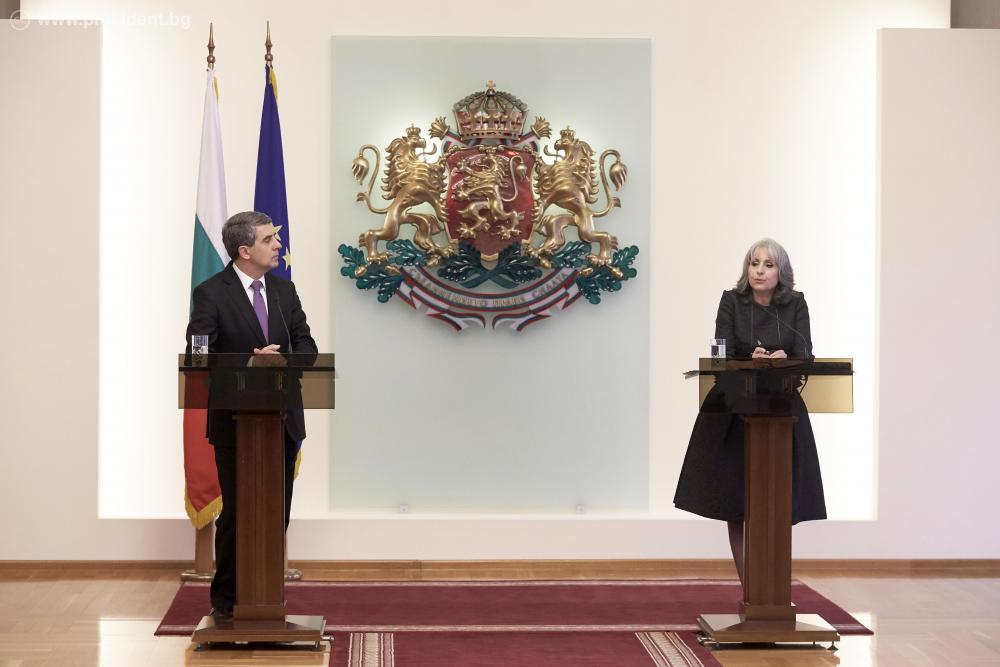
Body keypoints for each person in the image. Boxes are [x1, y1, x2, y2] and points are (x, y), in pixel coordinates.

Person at [185, 210, 317, 618]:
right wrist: (249, 361)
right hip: (235, 423)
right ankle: (227, 603)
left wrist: (283, 360)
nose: (278, 245)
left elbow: (307, 346)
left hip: (282, 420)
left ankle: (267, 600)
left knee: (276, 514)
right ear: (244, 250)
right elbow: (198, 356)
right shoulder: (211, 293)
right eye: (268, 239)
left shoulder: (284, 291)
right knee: (238, 513)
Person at [673, 238, 826, 584]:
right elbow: (719, 356)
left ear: (781, 271)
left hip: (780, 410)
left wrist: (786, 359)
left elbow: (807, 354)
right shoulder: (732, 301)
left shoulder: (796, 304)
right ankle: (751, 588)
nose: (759, 271)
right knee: (736, 499)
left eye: (768, 265)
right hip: (734, 408)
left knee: (778, 499)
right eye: (754, 263)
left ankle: (772, 587)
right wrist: (747, 360)